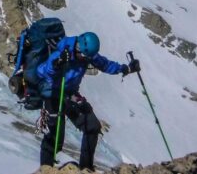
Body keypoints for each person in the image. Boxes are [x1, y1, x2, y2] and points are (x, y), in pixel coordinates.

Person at [36, 32, 140, 171]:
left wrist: (126, 68)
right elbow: (44, 71)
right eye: (85, 56)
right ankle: (46, 170)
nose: (87, 60)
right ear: (78, 48)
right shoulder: (63, 51)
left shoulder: (86, 53)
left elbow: (104, 64)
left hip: (70, 94)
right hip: (52, 93)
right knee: (55, 137)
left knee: (92, 127)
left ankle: (86, 169)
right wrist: (58, 62)